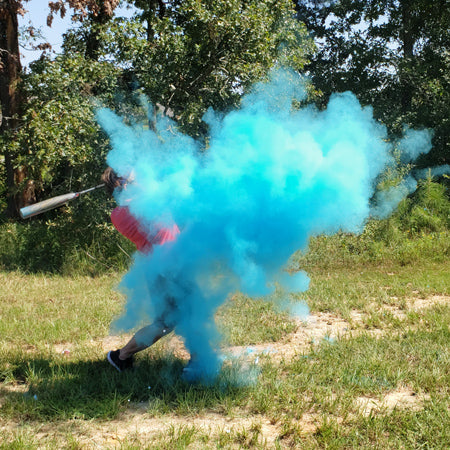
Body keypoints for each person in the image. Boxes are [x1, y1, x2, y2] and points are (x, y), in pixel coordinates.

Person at [101, 167, 180, 372]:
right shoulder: (123, 213)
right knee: (169, 321)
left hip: (167, 267)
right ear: (122, 183)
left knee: (175, 318)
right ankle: (122, 356)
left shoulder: (138, 203)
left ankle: (121, 357)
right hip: (165, 270)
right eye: (134, 176)